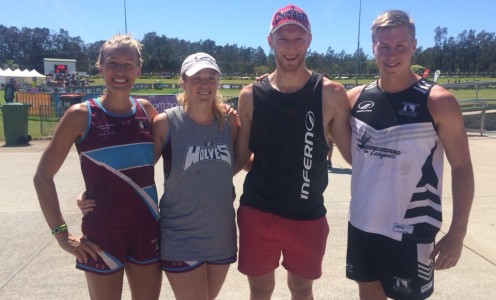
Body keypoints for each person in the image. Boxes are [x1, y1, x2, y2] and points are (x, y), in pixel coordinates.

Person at [346, 10, 474, 299]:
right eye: (384, 46)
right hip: (362, 222)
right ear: (373, 48)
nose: (392, 54)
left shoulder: (438, 101)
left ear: (414, 46)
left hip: (412, 226)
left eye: (401, 46)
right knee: (368, 294)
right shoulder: (354, 99)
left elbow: (463, 167)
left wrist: (458, 232)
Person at [233, 4, 351, 299]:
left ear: (309, 40)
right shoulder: (250, 95)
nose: (291, 47)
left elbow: (353, 155)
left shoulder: (331, 94)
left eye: (298, 38)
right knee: (260, 290)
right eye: (283, 38)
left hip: (307, 214)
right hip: (258, 211)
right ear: (270, 41)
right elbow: (240, 155)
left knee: (301, 288)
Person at [33, 34, 162, 300]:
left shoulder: (147, 111)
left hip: (147, 227)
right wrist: (61, 234)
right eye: (113, 62)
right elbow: (42, 177)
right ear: (100, 67)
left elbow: (145, 164)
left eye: (128, 64)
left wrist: (101, 184)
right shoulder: (80, 115)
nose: (120, 71)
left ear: (138, 69)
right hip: (102, 234)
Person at [153, 52, 238, 299]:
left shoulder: (230, 123)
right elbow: (140, 170)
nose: (204, 84)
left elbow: (239, 163)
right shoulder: (165, 124)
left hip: (220, 233)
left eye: (211, 77)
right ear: (183, 82)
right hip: (180, 235)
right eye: (196, 77)